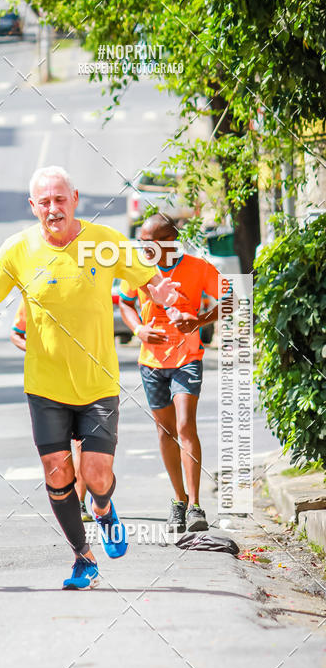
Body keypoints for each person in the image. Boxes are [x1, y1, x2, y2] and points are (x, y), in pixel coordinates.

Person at [0, 166, 179, 590]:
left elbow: (146, 276)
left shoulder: (104, 241)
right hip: (46, 386)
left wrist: (161, 290)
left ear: (75, 199)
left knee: (95, 476)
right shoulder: (17, 248)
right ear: (33, 206)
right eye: (45, 202)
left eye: (60, 199)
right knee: (58, 476)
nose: (53, 208)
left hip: (98, 384)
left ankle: (103, 507)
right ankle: (83, 558)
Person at [119, 213, 225, 533]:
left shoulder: (198, 268)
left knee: (184, 425)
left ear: (170, 241)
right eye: (141, 241)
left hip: (187, 357)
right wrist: (138, 329)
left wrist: (200, 320)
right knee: (165, 432)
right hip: (151, 361)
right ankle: (179, 500)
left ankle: (195, 506)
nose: (143, 247)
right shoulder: (138, 269)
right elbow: (125, 303)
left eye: (149, 242)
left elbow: (233, 299)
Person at [10, 297, 92, 522]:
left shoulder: (83, 293)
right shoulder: (35, 296)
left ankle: (81, 501)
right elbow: (16, 333)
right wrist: (36, 350)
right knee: (61, 449)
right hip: (50, 386)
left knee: (83, 445)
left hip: (86, 380)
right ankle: (73, 498)